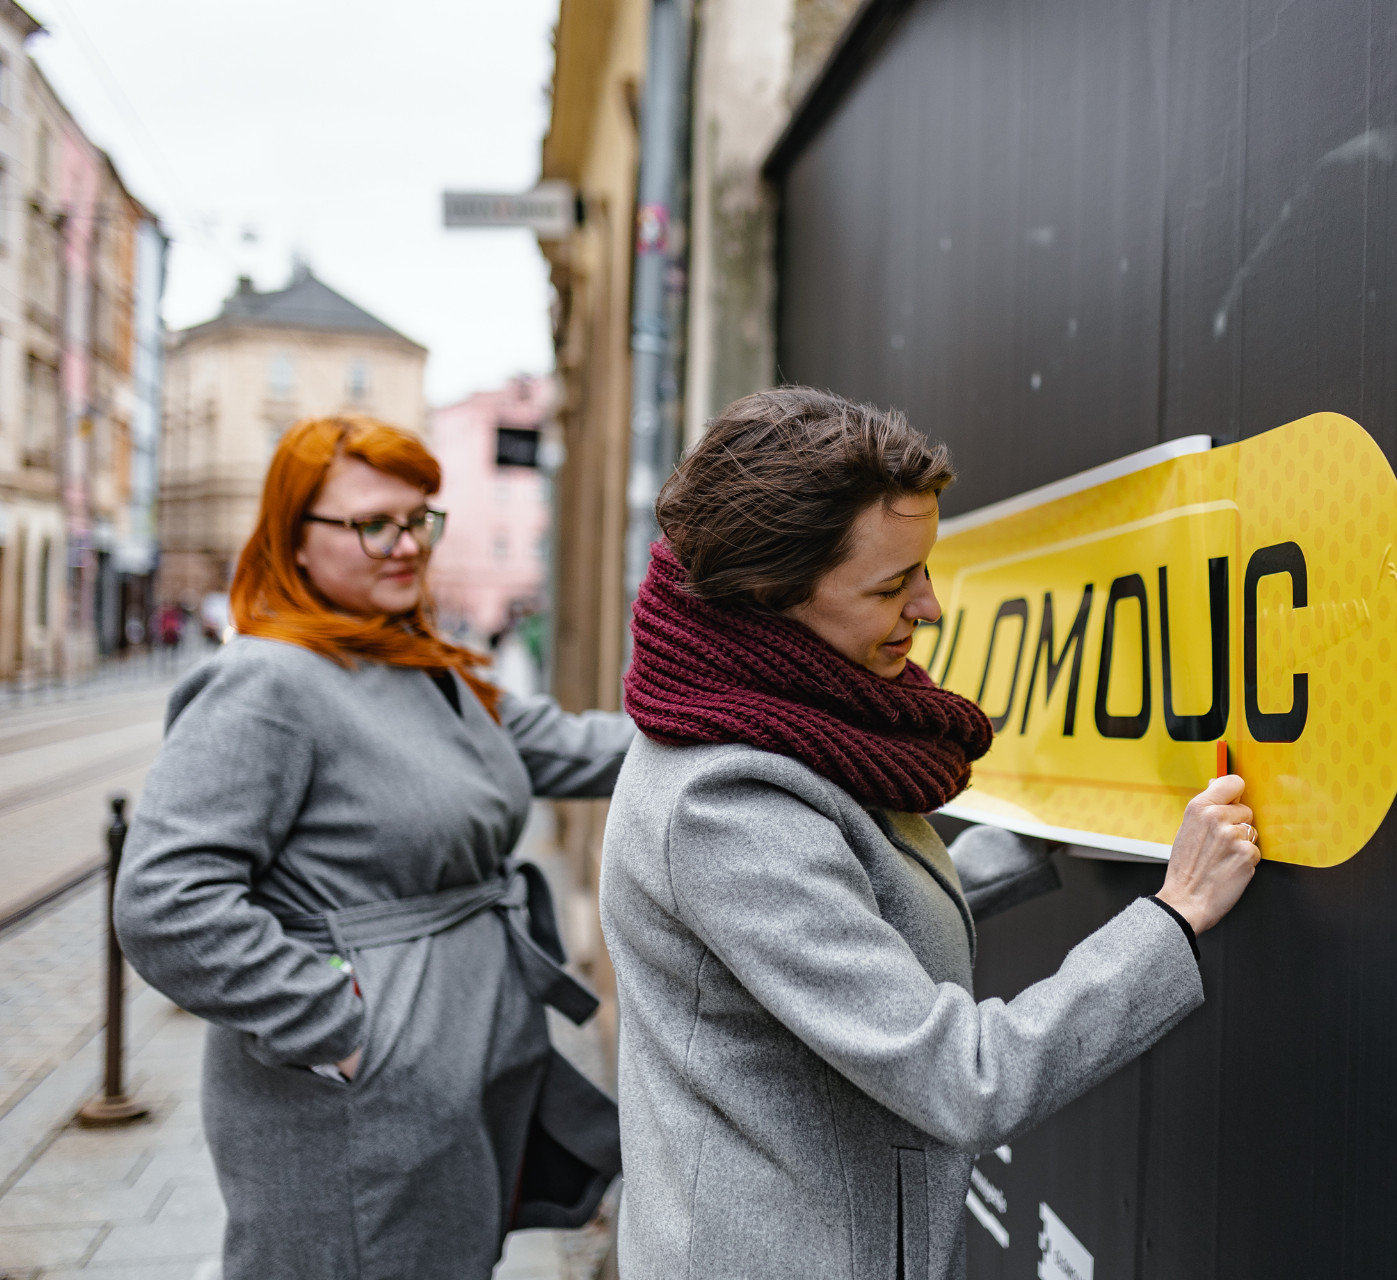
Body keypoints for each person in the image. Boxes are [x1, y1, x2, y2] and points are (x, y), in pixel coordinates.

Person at [601, 387, 1262, 1279]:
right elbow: (967, 1080)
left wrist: (1047, 826)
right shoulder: (724, 803)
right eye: (890, 585)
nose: (930, 606)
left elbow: (849, 907)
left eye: (924, 569)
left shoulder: (752, 709)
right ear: (768, 594)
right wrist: (1174, 916)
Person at [115, 415, 636, 1280]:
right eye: (372, 524)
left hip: (458, 1079)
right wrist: (344, 1028)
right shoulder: (267, 683)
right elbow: (165, 902)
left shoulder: (422, 662)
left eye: (418, 518)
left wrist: (763, 722)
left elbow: (576, 746)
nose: (406, 546)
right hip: (358, 1102)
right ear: (295, 538)